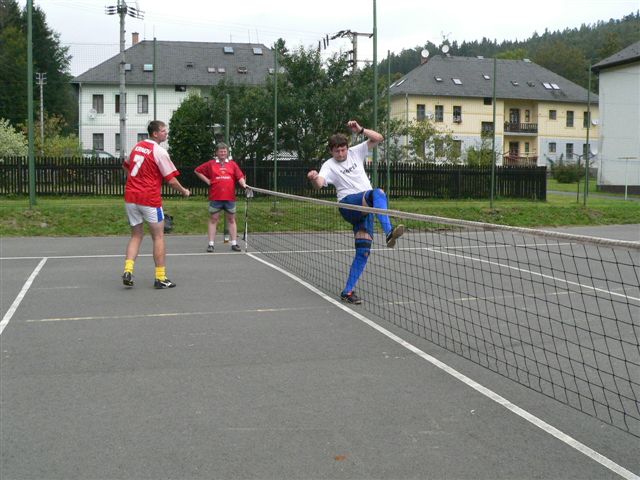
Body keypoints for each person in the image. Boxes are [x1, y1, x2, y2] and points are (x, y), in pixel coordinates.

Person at [307, 120, 404, 305]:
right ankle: (389, 231)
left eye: (343, 150)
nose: (341, 153)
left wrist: (361, 130)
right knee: (378, 193)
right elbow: (319, 184)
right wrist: (313, 177)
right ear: (331, 151)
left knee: (363, 252)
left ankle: (348, 291)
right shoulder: (328, 165)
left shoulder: (356, 152)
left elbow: (379, 138)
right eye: (337, 151)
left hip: (365, 210)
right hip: (348, 205)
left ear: (347, 148)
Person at [121, 120, 191, 289]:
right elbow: (171, 180)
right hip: (149, 199)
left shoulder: (137, 147)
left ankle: (128, 270)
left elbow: (126, 166)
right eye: (163, 131)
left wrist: (136, 180)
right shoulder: (159, 151)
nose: (166, 133)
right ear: (155, 133)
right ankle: (160, 278)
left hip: (131, 197)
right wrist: (184, 191)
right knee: (158, 237)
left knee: (136, 236)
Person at [194, 142, 248, 252]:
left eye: (224, 151)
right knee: (213, 219)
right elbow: (197, 171)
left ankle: (234, 243)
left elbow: (240, 177)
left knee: (231, 220)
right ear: (217, 153)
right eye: (220, 151)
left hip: (230, 197)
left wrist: (243, 184)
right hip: (216, 197)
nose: (223, 153)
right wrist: (207, 181)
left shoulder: (232, 164)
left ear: (227, 152)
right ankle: (211, 244)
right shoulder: (211, 164)